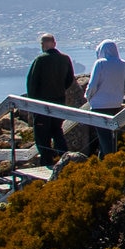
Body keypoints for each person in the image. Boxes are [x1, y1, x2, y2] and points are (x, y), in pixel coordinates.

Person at [25, 33, 77, 165]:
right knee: (57, 130)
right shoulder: (65, 59)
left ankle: (47, 162)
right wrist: (60, 90)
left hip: (42, 104)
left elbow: (32, 83)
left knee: (42, 135)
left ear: (43, 45)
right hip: (59, 101)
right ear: (54, 43)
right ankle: (66, 159)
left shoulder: (40, 60)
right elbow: (69, 79)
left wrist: (33, 102)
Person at [87, 39, 125, 154]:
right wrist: (118, 96)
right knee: (111, 136)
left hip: (99, 106)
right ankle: (105, 163)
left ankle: (109, 163)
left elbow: (92, 85)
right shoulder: (123, 64)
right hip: (116, 106)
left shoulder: (100, 63)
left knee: (104, 138)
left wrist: (89, 97)